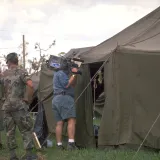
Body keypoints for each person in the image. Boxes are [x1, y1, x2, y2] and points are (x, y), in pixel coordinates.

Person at [1, 52, 37, 160]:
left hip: (7, 107)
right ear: (17, 61)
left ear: (8, 62)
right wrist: (28, 100)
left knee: (10, 131)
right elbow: (31, 84)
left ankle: (12, 156)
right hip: (19, 106)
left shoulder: (5, 73)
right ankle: (29, 155)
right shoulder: (22, 71)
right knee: (25, 129)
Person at [52, 59, 79, 150]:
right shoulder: (61, 73)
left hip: (56, 99)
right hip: (64, 98)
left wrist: (74, 75)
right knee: (71, 120)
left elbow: (72, 85)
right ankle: (71, 144)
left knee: (59, 123)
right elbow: (66, 85)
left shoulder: (56, 73)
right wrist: (75, 73)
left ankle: (59, 145)